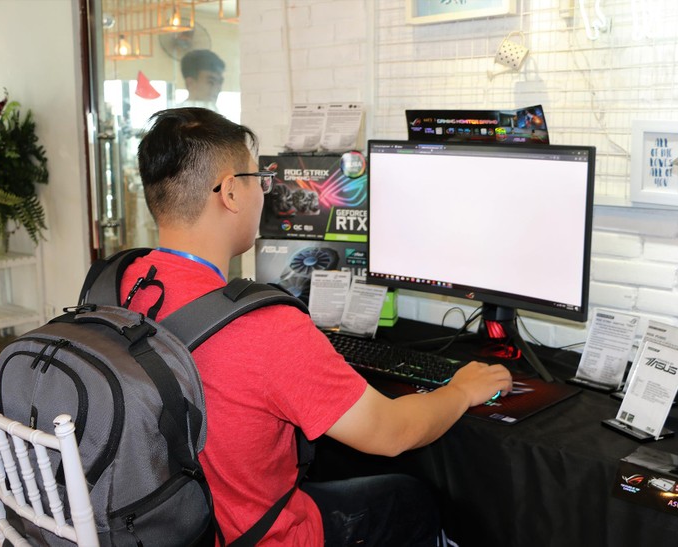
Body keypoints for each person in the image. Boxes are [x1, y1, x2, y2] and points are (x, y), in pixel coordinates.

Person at [127, 107, 513, 546]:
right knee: (408, 497)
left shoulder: (120, 283)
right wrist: (461, 390)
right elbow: (390, 433)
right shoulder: (263, 326)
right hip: (264, 537)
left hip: (163, 528)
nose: (263, 194)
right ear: (231, 192)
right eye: (259, 180)